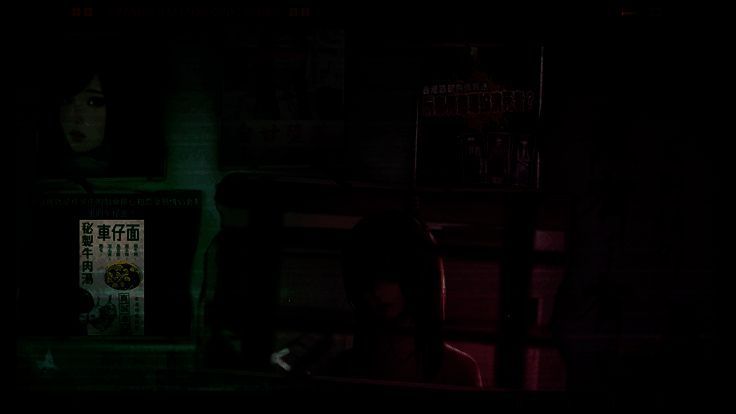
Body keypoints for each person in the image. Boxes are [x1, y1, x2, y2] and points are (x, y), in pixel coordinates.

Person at [322, 210, 482, 387]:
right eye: (366, 278)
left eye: (389, 275)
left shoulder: (458, 370)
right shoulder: (341, 368)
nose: (377, 290)